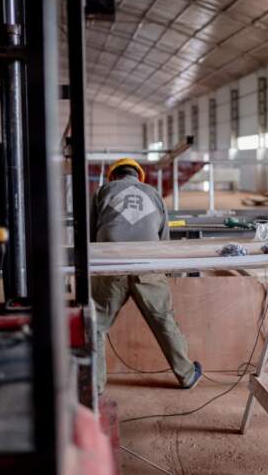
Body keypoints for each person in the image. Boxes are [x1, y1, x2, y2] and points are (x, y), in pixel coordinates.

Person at [90, 158, 201, 394]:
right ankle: (187, 374)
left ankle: (95, 385)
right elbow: (164, 239)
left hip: (110, 265)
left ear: (113, 176)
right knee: (163, 321)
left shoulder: (103, 191)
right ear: (138, 175)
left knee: (96, 326)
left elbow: (91, 235)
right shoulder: (153, 193)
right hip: (148, 265)